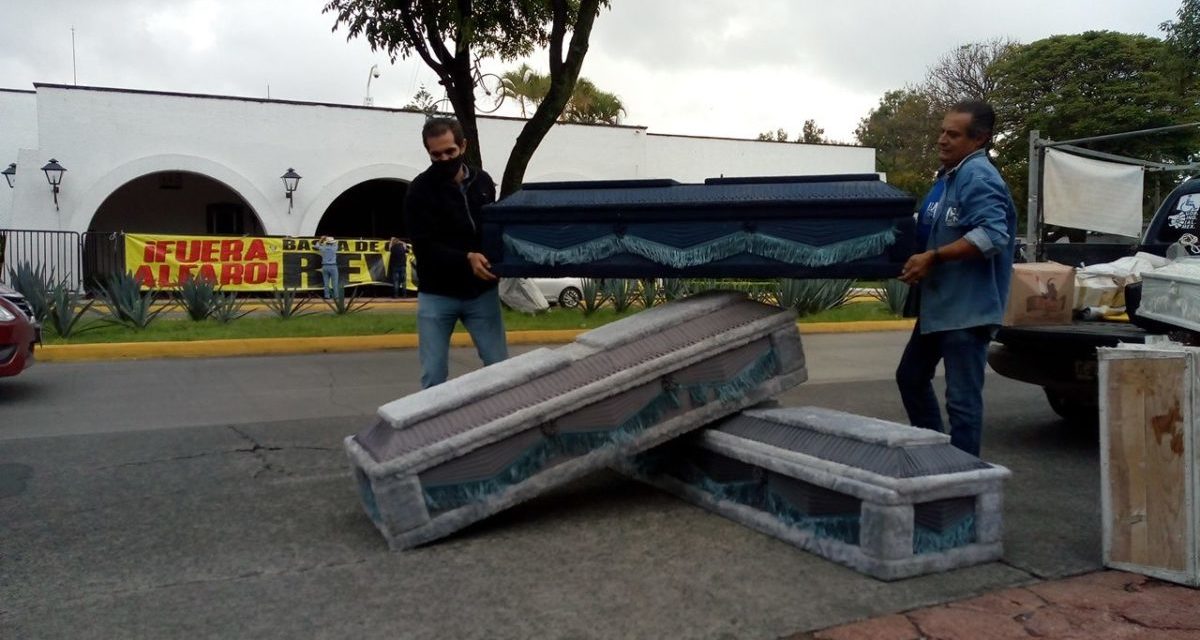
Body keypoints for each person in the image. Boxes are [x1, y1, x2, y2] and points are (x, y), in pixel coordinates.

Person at [895, 100, 1017, 457]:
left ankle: (963, 482)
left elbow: (993, 235)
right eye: (942, 132)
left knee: (962, 402)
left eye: (953, 134)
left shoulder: (978, 176)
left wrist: (934, 257)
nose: (942, 140)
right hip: (940, 308)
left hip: (968, 311)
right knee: (911, 377)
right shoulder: (948, 178)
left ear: (978, 140)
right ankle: (936, 455)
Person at [404, 117, 508, 388]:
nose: (443, 159)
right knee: (434, 375)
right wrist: (466, 258)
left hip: (481, 292)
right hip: (437, 295)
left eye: (450, 151)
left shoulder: (483, 181)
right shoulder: (419, 190)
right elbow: (424, 246)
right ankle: (434, 428)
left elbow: (492, 228)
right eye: (435, 155)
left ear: (463, 146)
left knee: (500, 368)